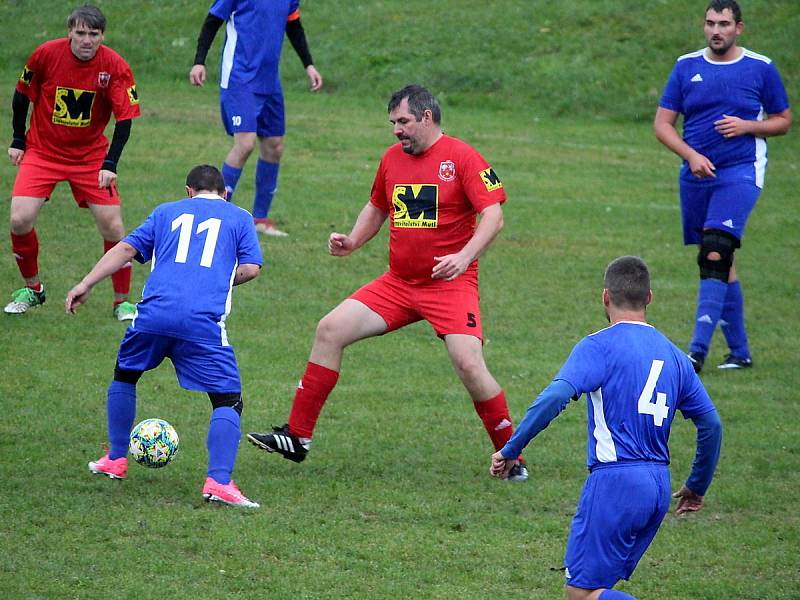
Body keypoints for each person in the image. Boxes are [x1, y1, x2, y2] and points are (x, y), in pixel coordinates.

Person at [247, 85, 528, 481]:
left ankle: (510, 454)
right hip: (399, 284)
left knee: (468, 363)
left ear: (426, 118)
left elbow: (493, 215)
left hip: (450, 286)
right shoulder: (392, 159)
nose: (397, 130)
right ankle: (297, 436)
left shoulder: (462, 157)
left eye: (404, 122)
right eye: (393, 123)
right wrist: (352, 241)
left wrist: (463, 257)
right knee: (329, 329)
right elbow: (378, 206)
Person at [490, 256, 723, 600]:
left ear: (604, 297)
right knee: (602, 588)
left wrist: (511, 450)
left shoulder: (598, 346)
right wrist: (696, 485)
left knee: (582, 594)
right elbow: (711, 424)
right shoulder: (675, 356)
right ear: (649, 298)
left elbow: (554, 397)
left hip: (616, 483)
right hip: (658, 485)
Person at [66, 165, 263, 508]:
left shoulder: (165, 212)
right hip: (201, 323)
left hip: (153, 315)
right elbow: (251, 268)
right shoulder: (240, 217)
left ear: (188, 191)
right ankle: (218, 481)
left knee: (126, 374)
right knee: (228, 399)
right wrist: (220, 280)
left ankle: (115, 458)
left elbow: (125, 250)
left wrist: (86, 283)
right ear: (225, 193)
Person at [653, 0, 791, 372]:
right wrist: (691, 156)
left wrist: (748, 126)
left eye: (725, 24)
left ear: (738, 28)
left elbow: (783, 120)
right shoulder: (686, 66)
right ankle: (740, 352)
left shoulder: (760, 68)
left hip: (740, 171)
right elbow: (663, 124)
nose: (717, 30)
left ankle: (695, 353)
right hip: (697, 177)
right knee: (721, 261)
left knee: (715, 251)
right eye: (711, 23)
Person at [6, 4, 141, 320]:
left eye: (93, 34)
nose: (86, 40)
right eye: (80, 33)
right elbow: (21, 95)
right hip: (43, 152)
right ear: (70, 32)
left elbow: (125, 119)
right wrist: (17, 139)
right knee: (19, 219)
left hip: (91, 157)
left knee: (113, 225)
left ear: (102, 36)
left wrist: (110, 163)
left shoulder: (115, 66)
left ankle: (121, 302)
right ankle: (33, 290)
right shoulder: (45, 55)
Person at [190, 0, 323, 237]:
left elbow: (294, 26)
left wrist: (309, 65)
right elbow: (212, 21)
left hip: (270, 81)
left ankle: (260, 219)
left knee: (274, 146)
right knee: (245, 144)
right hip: (239, 78)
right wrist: (199, 61)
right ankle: (216, 215)